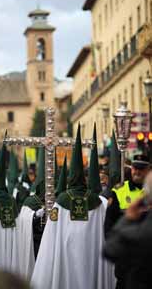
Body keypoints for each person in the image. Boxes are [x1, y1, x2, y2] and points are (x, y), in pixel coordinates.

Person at [31, 124, 114, 289]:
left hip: (66, 255)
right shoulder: (96, 202)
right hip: (92, 256)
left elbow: (50, 236)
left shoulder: (61, 201)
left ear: (70, 179)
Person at [104, 154, 150, 289]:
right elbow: (109, 225)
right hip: (127, 260)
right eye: (135, 168)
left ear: (149, 170)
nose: (137, 171)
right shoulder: (119, 191)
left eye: (141, 169)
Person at [16, 147, 45, 280]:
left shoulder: (56, 201)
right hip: (35, 240)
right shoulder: (30, 201)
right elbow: (23, 218)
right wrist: (34, 216)